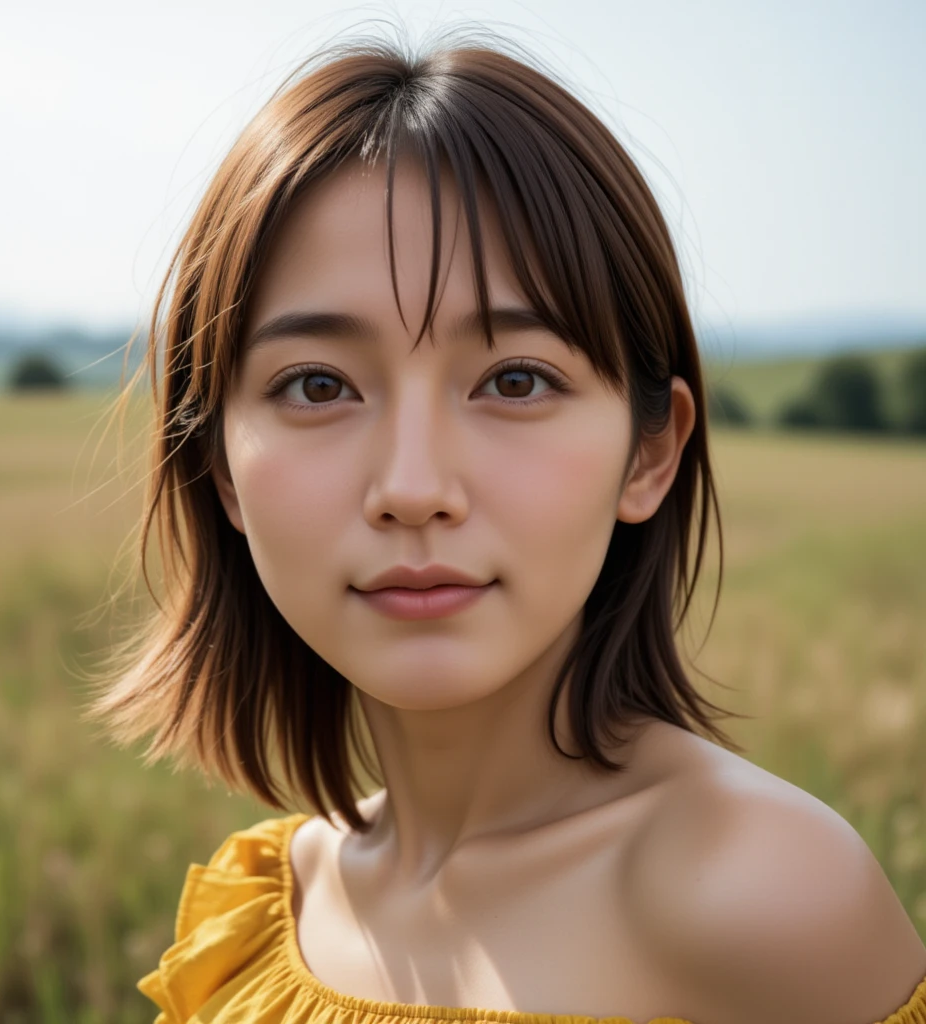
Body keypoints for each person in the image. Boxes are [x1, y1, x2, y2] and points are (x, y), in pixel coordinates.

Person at [85, 26, 926, 1024]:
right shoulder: (271, 904)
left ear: (649, 453)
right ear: (219, 466)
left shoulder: (761, 893)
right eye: (317, 385)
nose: (411, 486)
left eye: (514, 380)